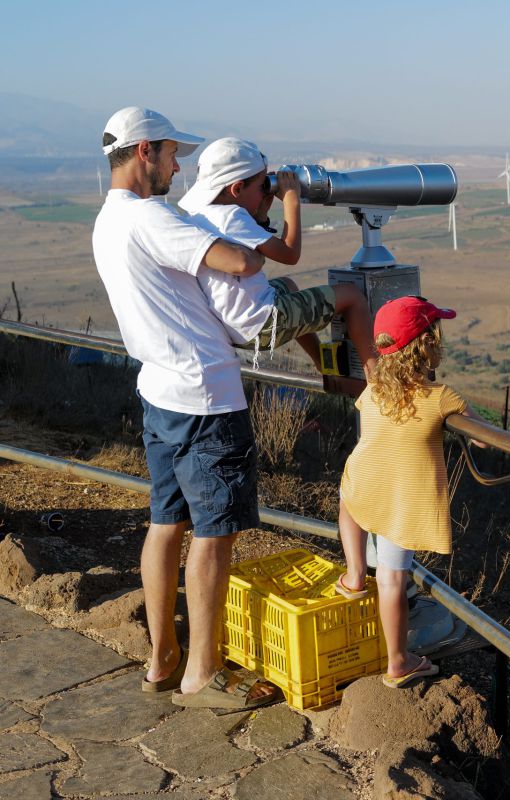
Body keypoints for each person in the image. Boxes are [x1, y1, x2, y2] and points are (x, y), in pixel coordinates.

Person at [91, 107, 277, 711]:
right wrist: (248, 238)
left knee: (165, 523)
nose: (179, 166)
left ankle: (162, 657)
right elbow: (240, 263)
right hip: (204, 395)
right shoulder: (151, 216)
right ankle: (201, 671)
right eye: (173, 154)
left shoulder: (106, 221)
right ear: (144, 151)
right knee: (215, 534)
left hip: (158, 392)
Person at [337, 295, 482, 687]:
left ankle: (352, 575)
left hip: (363, 484)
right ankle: (399, 661)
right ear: (426, 345)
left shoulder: (372, 390)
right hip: (400, 504)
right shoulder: (441, 397)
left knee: (348, 498)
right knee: (391, 580)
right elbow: (484, 439)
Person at [179, 137, 377, 378]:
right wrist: (292, 201)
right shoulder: (231, 215)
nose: (268, 190)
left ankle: (324, 367)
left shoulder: (202, 215)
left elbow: (251, 247)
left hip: (234, 327)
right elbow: (290, 254)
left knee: (288, 286)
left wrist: (260, 215)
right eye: (263, 185)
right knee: (352, 296)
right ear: (237, 188)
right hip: (262, 324)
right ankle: (377, 380)